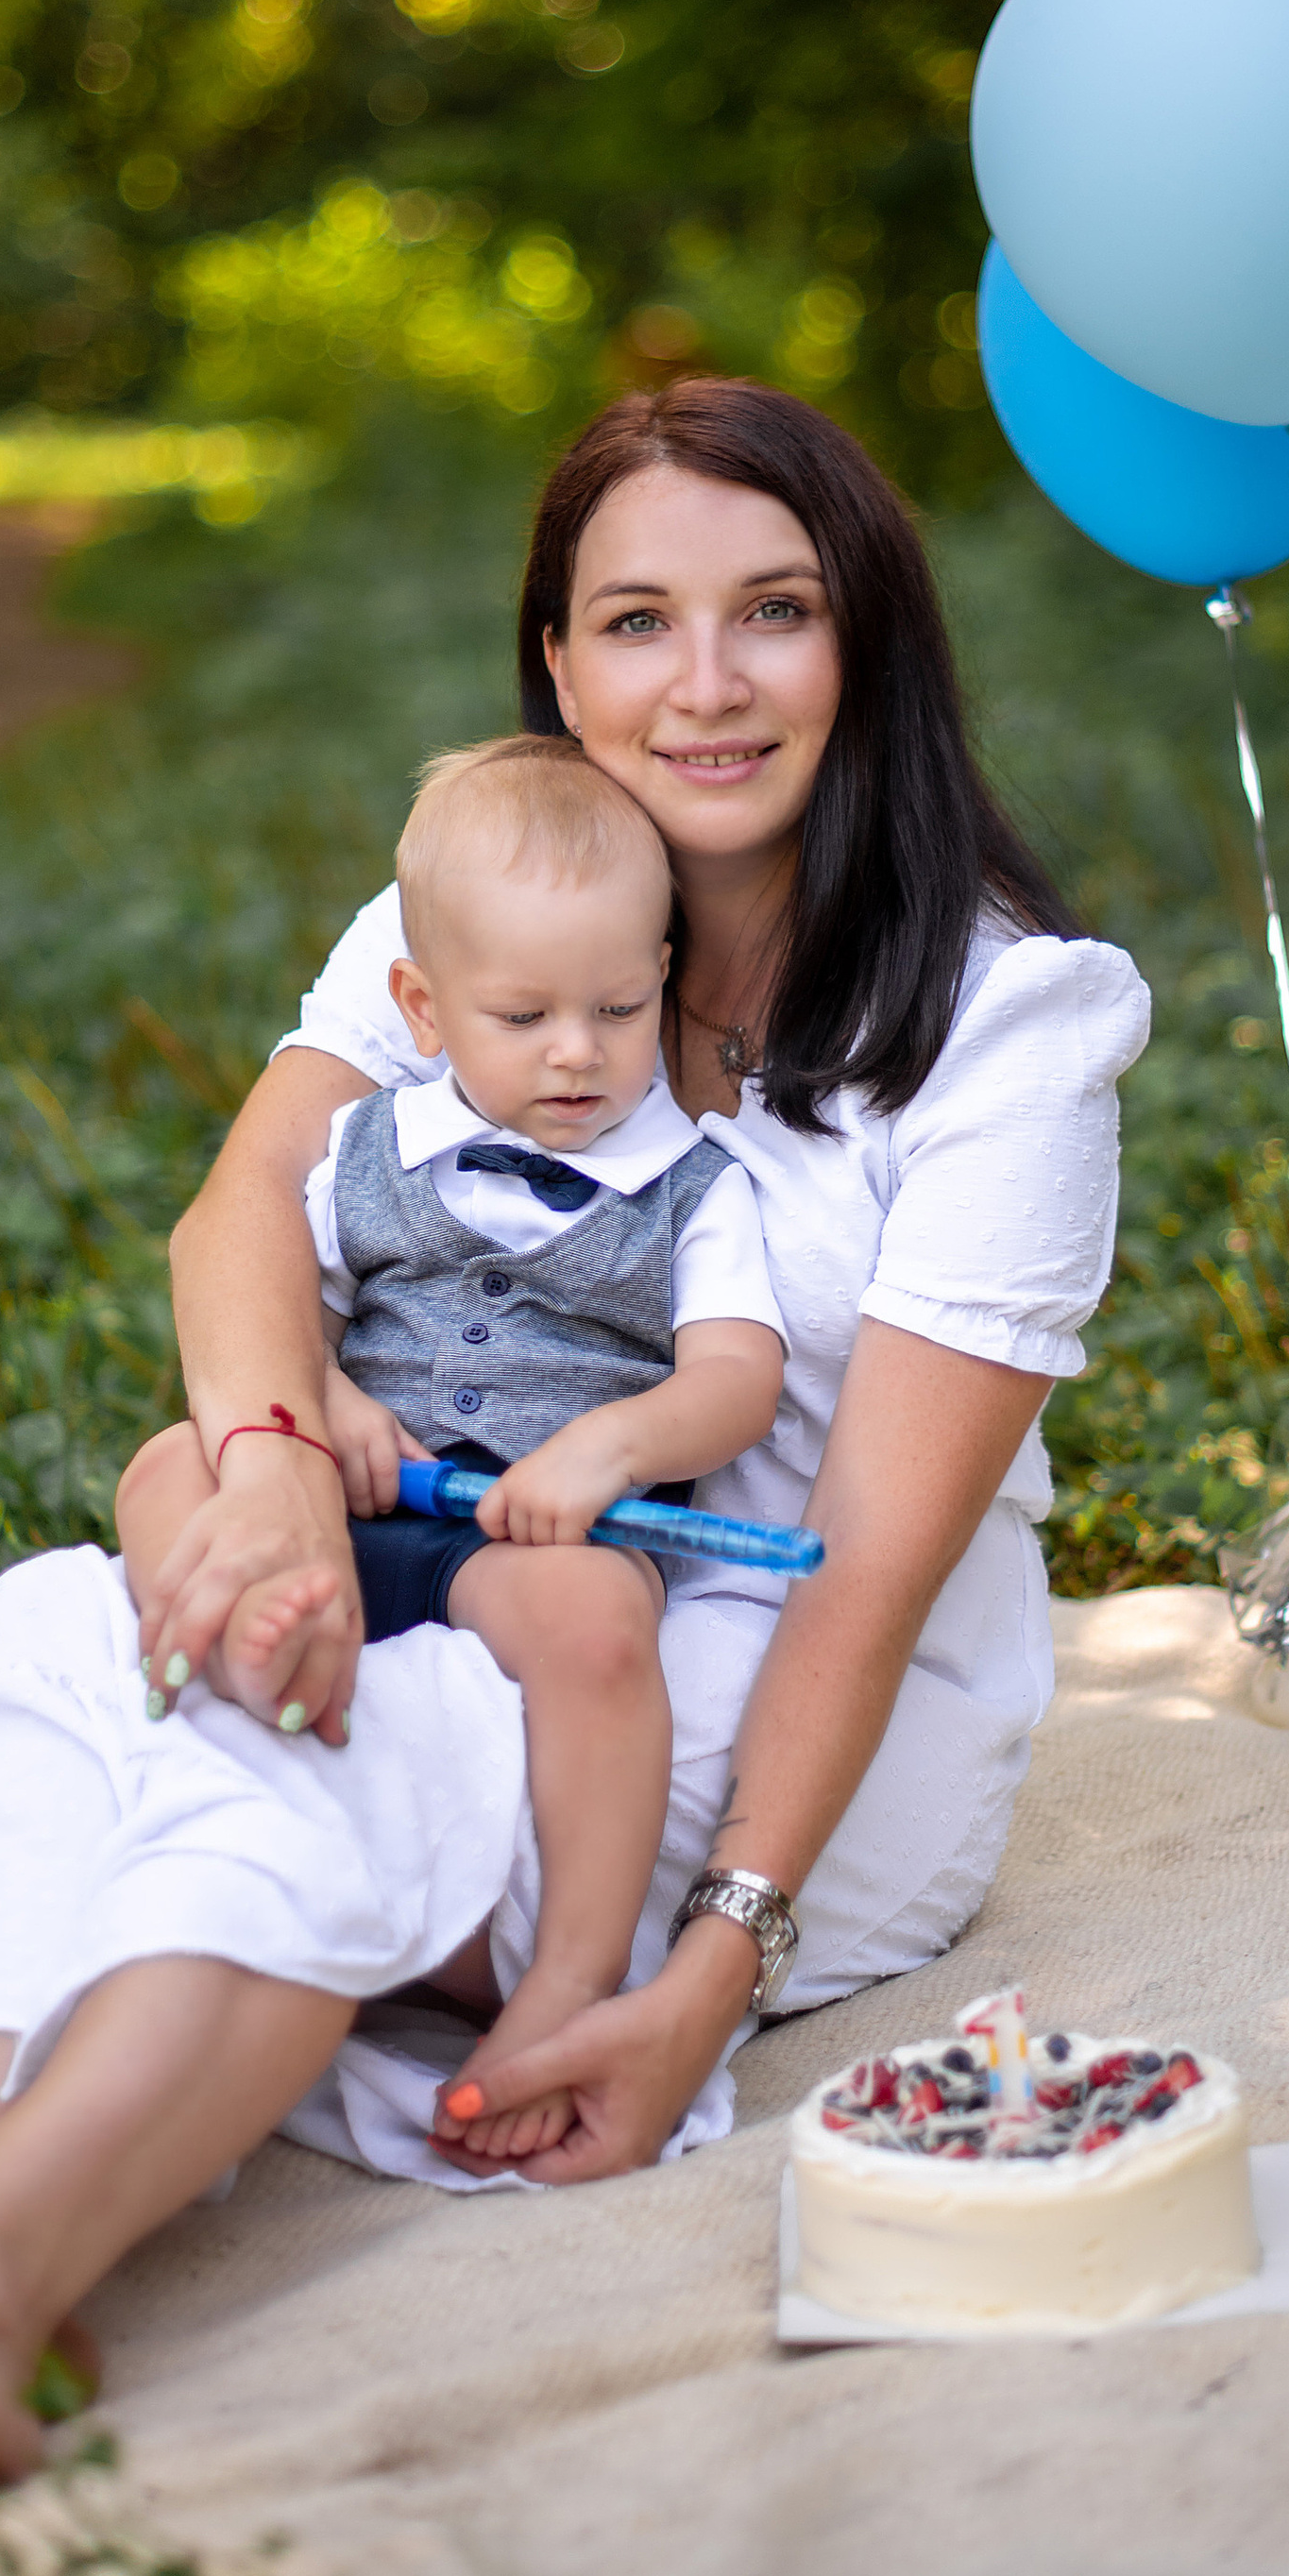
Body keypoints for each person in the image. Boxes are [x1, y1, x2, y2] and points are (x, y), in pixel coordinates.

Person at [0, 379, 1148, 2520]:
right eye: (633, 622)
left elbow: (871, 1569)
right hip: (453, 1561)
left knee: (320, 1739)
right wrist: (254, 1468)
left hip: (760, 1704)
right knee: (72, 1626)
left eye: (771, 613)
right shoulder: (495, 902)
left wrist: (711, 1978)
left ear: (863, 643)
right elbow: (243, 1209)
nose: (701, 684)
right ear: (553, 659)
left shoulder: (1008, 1025)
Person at [115, 731, 787, 2163]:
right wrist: (327, 1414)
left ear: (664, 977)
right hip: (356, 1507)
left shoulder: (695, 1187)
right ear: (422, 1005)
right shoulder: (367, 1146)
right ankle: (262, 1649)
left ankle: (563, 1980)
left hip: (530, 1536)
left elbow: (736, 1379)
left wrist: (616, 1448)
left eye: (616, 1006)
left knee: (604, 1615)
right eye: (524, 1011)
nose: (576, 1051)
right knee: (170, 1466)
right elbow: (279, 1301)